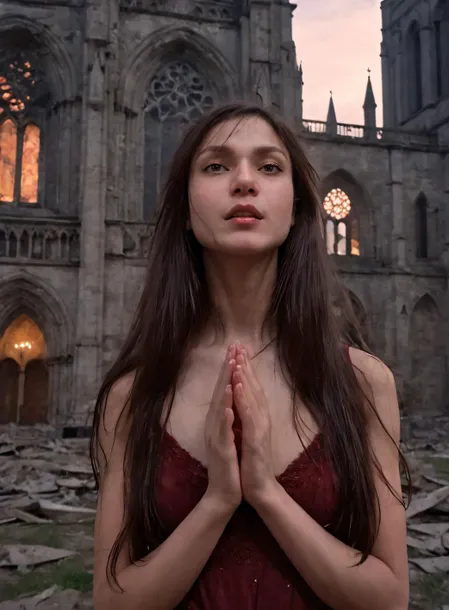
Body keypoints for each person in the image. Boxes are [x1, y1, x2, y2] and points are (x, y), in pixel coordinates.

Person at [90, 103, 410, 610]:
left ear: (301, 208)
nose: (244, 181)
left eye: (269, 166)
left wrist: (264, 490)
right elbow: (113, 601)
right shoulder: (133, 396)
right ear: (186, 211)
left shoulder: (363, 383)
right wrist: (218, 499)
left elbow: (389, 599)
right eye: (216, 166)